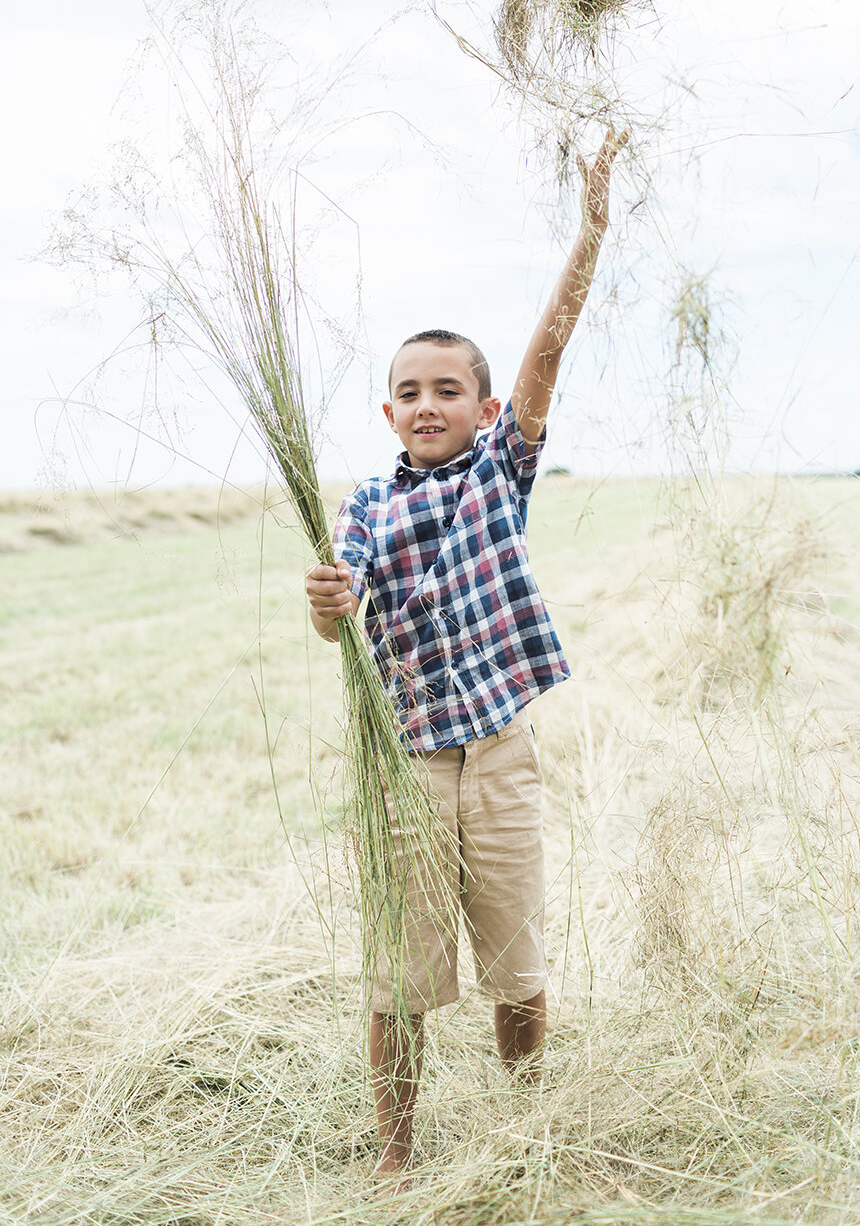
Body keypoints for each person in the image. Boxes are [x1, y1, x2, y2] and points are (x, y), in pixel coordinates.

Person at [305, 128, 628, 1183]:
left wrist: (588, 236)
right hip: (403, 767)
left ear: (485, 412)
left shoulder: (498, 477)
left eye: (449, 390)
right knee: (398, 982)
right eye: (409, 391)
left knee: (517, 967)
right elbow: (336, 615)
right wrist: (325, 603)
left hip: (495, 757)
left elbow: (546, 356)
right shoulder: (364, 507)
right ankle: (396, 1156)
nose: (427, 405)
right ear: (388, 411)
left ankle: (524, 1124)